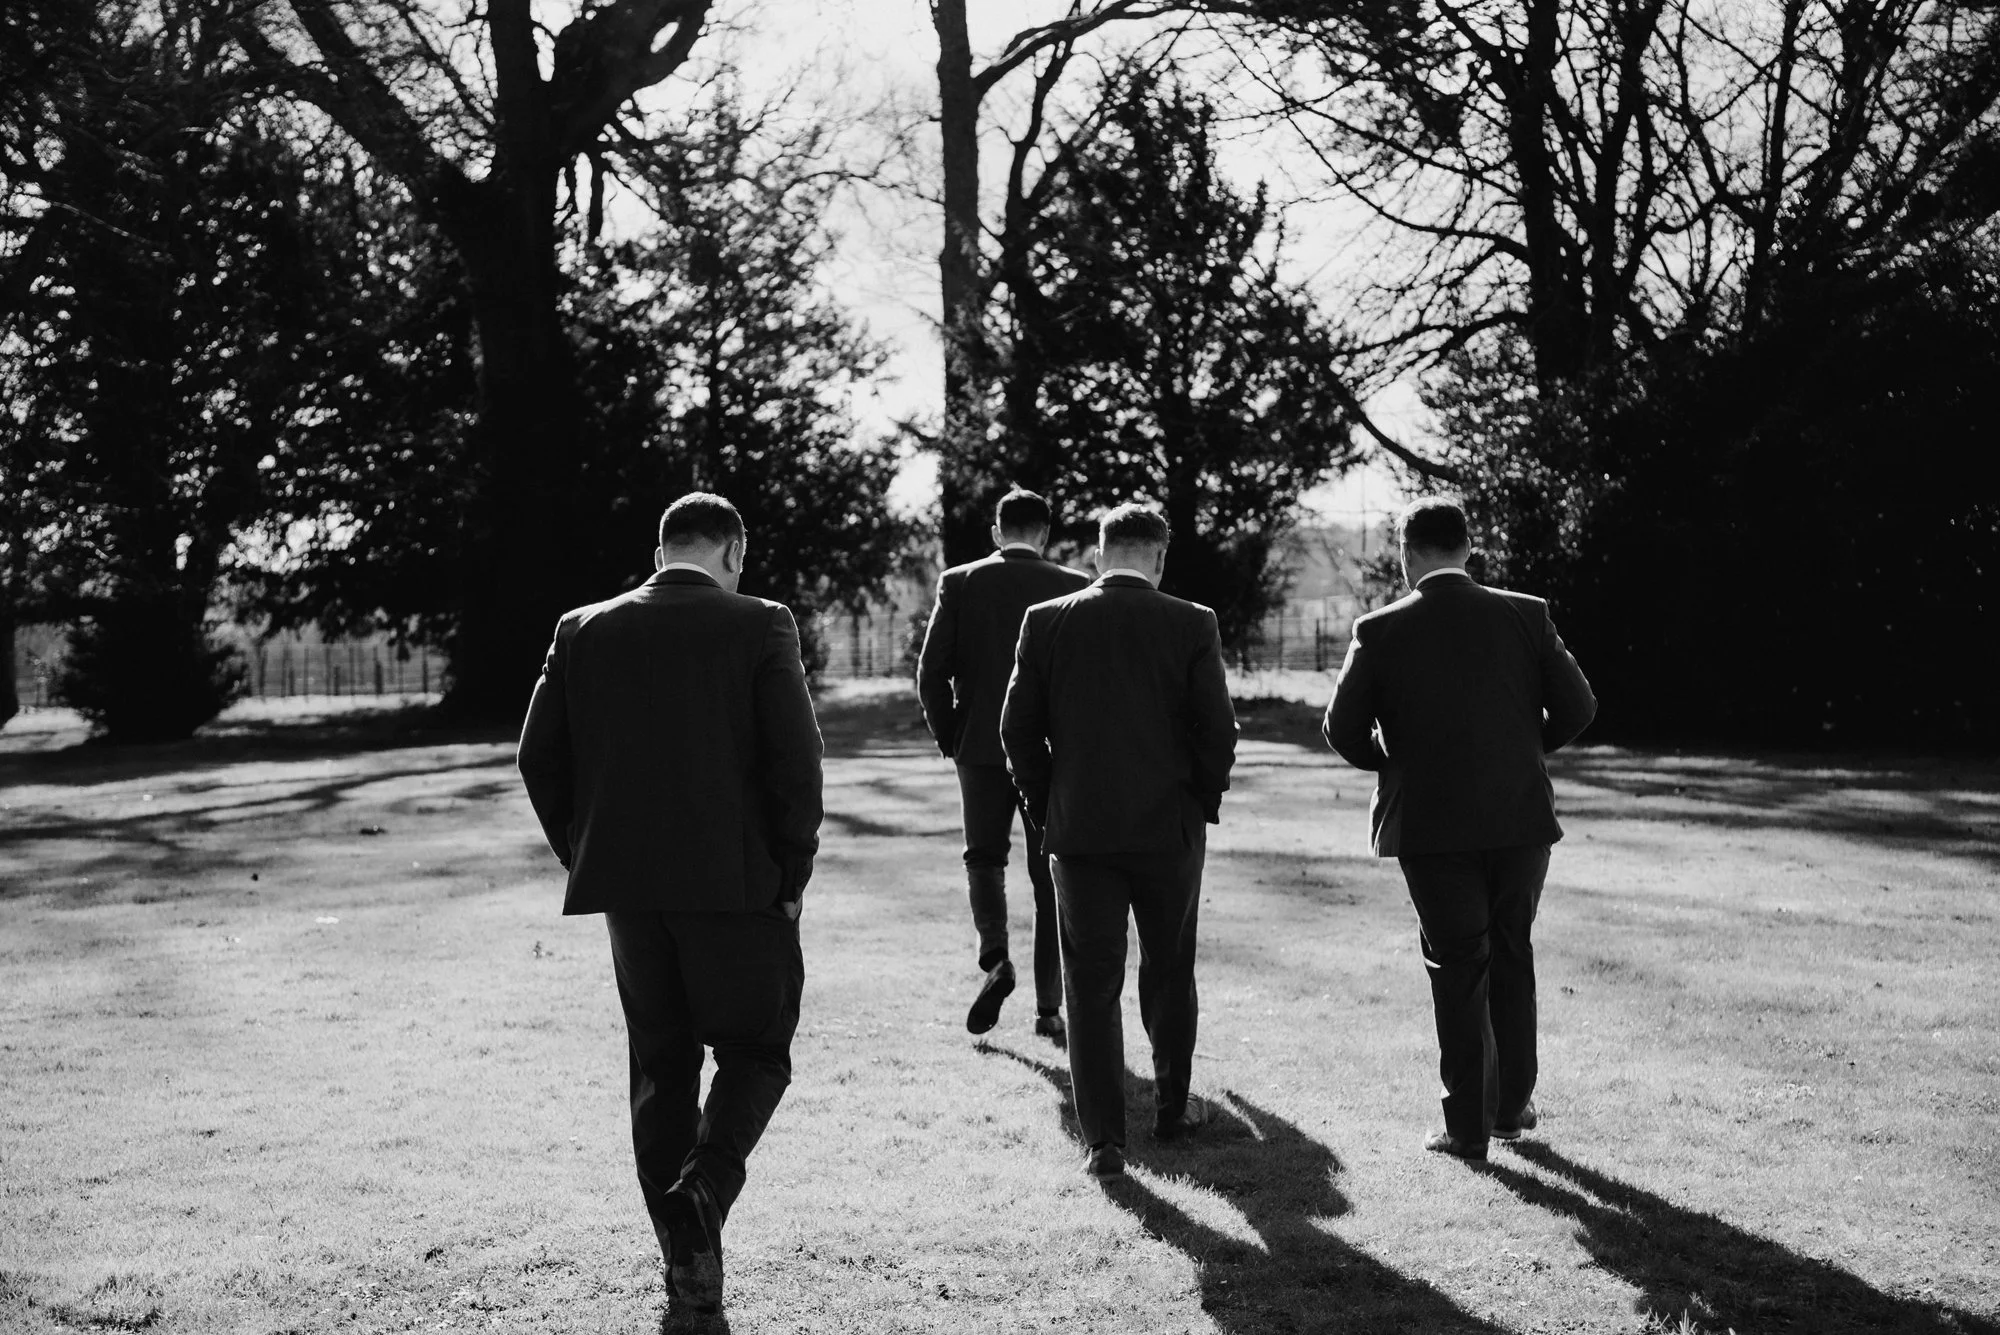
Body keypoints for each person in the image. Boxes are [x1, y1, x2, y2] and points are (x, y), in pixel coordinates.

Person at [517, 493, 823, 1317]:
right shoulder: (762, 623)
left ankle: (686, 1257)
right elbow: (797, 764)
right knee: (757, 1051)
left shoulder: (582, 628)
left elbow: (538, 757)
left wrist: (586, 853)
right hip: (740, 885)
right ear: (735, 551)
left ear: (660, 554)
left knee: (662, 1068)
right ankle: (705, 1191)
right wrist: (792, 873)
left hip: (630, 892)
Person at [1322, 497, 1596, 1162]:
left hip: (1430, 823)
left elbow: (1341, 727)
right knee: (1511, 952)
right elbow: (1579, 705)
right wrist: (1522, 752)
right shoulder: (1526, 613)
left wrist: (1394, 762)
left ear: (1405, 554)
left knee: (1457, 966)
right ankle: (1510, 1108)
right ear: (1468, 547)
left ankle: (1468, 1128)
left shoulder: (1379, 629)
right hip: (1519, 817)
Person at [1001, 502, 1238, 1180]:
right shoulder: (1192, 621)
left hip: (1080, 830)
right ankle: (1172, 1108)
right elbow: (1218, 730)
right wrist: (1200, 802)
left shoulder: (1046, 620)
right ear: (1159, 558)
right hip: (1169, 827)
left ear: (1100, 554)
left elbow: (1016, 730)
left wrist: (1047, 804)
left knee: (1089, 983)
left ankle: (1104, 1141)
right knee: (1170, 969)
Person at [916, 487, 1091, 1037]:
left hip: (980, 748)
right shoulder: (1074, 586)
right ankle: (1049, 1008)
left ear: (997, 532)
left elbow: (930, 672)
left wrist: (952, 736)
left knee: (984, 858)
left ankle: (996, 958)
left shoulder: (961, 582)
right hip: (1051, 752)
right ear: (1045, 534)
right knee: (1048, 874)